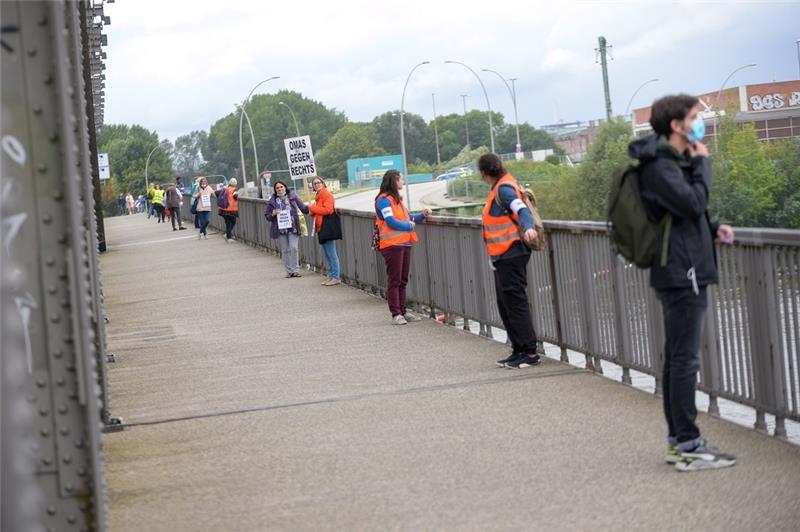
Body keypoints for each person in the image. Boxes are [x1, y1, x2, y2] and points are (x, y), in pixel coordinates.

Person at [629, 94, 736, 472]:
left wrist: (710, 228)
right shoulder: (660, 165)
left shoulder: (668, 162)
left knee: (678, 358)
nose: (698, 123)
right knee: (684, 360)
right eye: (694, 117)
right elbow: (690, 203)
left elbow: (679, 216)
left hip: (680, 266)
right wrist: (703, 163)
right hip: (682, 272)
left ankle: (680, 441)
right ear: (677, 125)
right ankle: (688, 443)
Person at [478, 153, 541, 369]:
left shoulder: (503, 189)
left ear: (485, 174)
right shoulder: (499, 187)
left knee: (515, 303)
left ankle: (530, 352)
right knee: (506, 304)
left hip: (512, 252)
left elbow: (520, 209)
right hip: (502, 255)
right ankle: (519, 349)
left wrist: (529, 227)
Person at [374, 170, 431, 325]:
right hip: (392, 245)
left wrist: (422, 215)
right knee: (395, 280)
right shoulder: (384, 200)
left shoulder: (396, 200)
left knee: (403, 279)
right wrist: (408, 225)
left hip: (404, 243)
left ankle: (403, 311)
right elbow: (391, 221)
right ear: (394, 181)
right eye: (401, 179)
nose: (403, 181)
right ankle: (396, 314)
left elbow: (409, 218)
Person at [265, 180, 309, 278]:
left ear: (285, 187)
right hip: (280, 229)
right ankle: (289, 271)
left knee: (294, 248)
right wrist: (273, 213)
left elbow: (303, 208)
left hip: (293, 227)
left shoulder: (293, 197)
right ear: (275, 190)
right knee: (285, 250)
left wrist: (313, 207)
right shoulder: (272, 201)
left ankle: (295, 270)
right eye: (277, 188)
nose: (280, 189)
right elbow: (267, 216)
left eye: (281, 187)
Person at [308, 176, 341, 286]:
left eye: (318, 182)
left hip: (327, 226)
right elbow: (319, 211)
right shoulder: (318, 196)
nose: (317, 184)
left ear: (323, 183)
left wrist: (313, 208)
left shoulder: (326, 194)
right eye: (314, 183)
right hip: (321, 227)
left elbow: (328, 210)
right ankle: (332, 276)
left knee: (331, 253)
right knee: (327, 253)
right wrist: (313, 211)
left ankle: (335, 277)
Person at [218, 177, 240, 242]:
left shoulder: (225, 189)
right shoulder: (234, 190)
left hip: (223, 209)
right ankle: (228, 237)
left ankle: (227, 235)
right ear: (235, 184)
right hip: (231, 209)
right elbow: (235, 196)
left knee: (228, 223)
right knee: (233, 222)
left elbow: (217, 193)